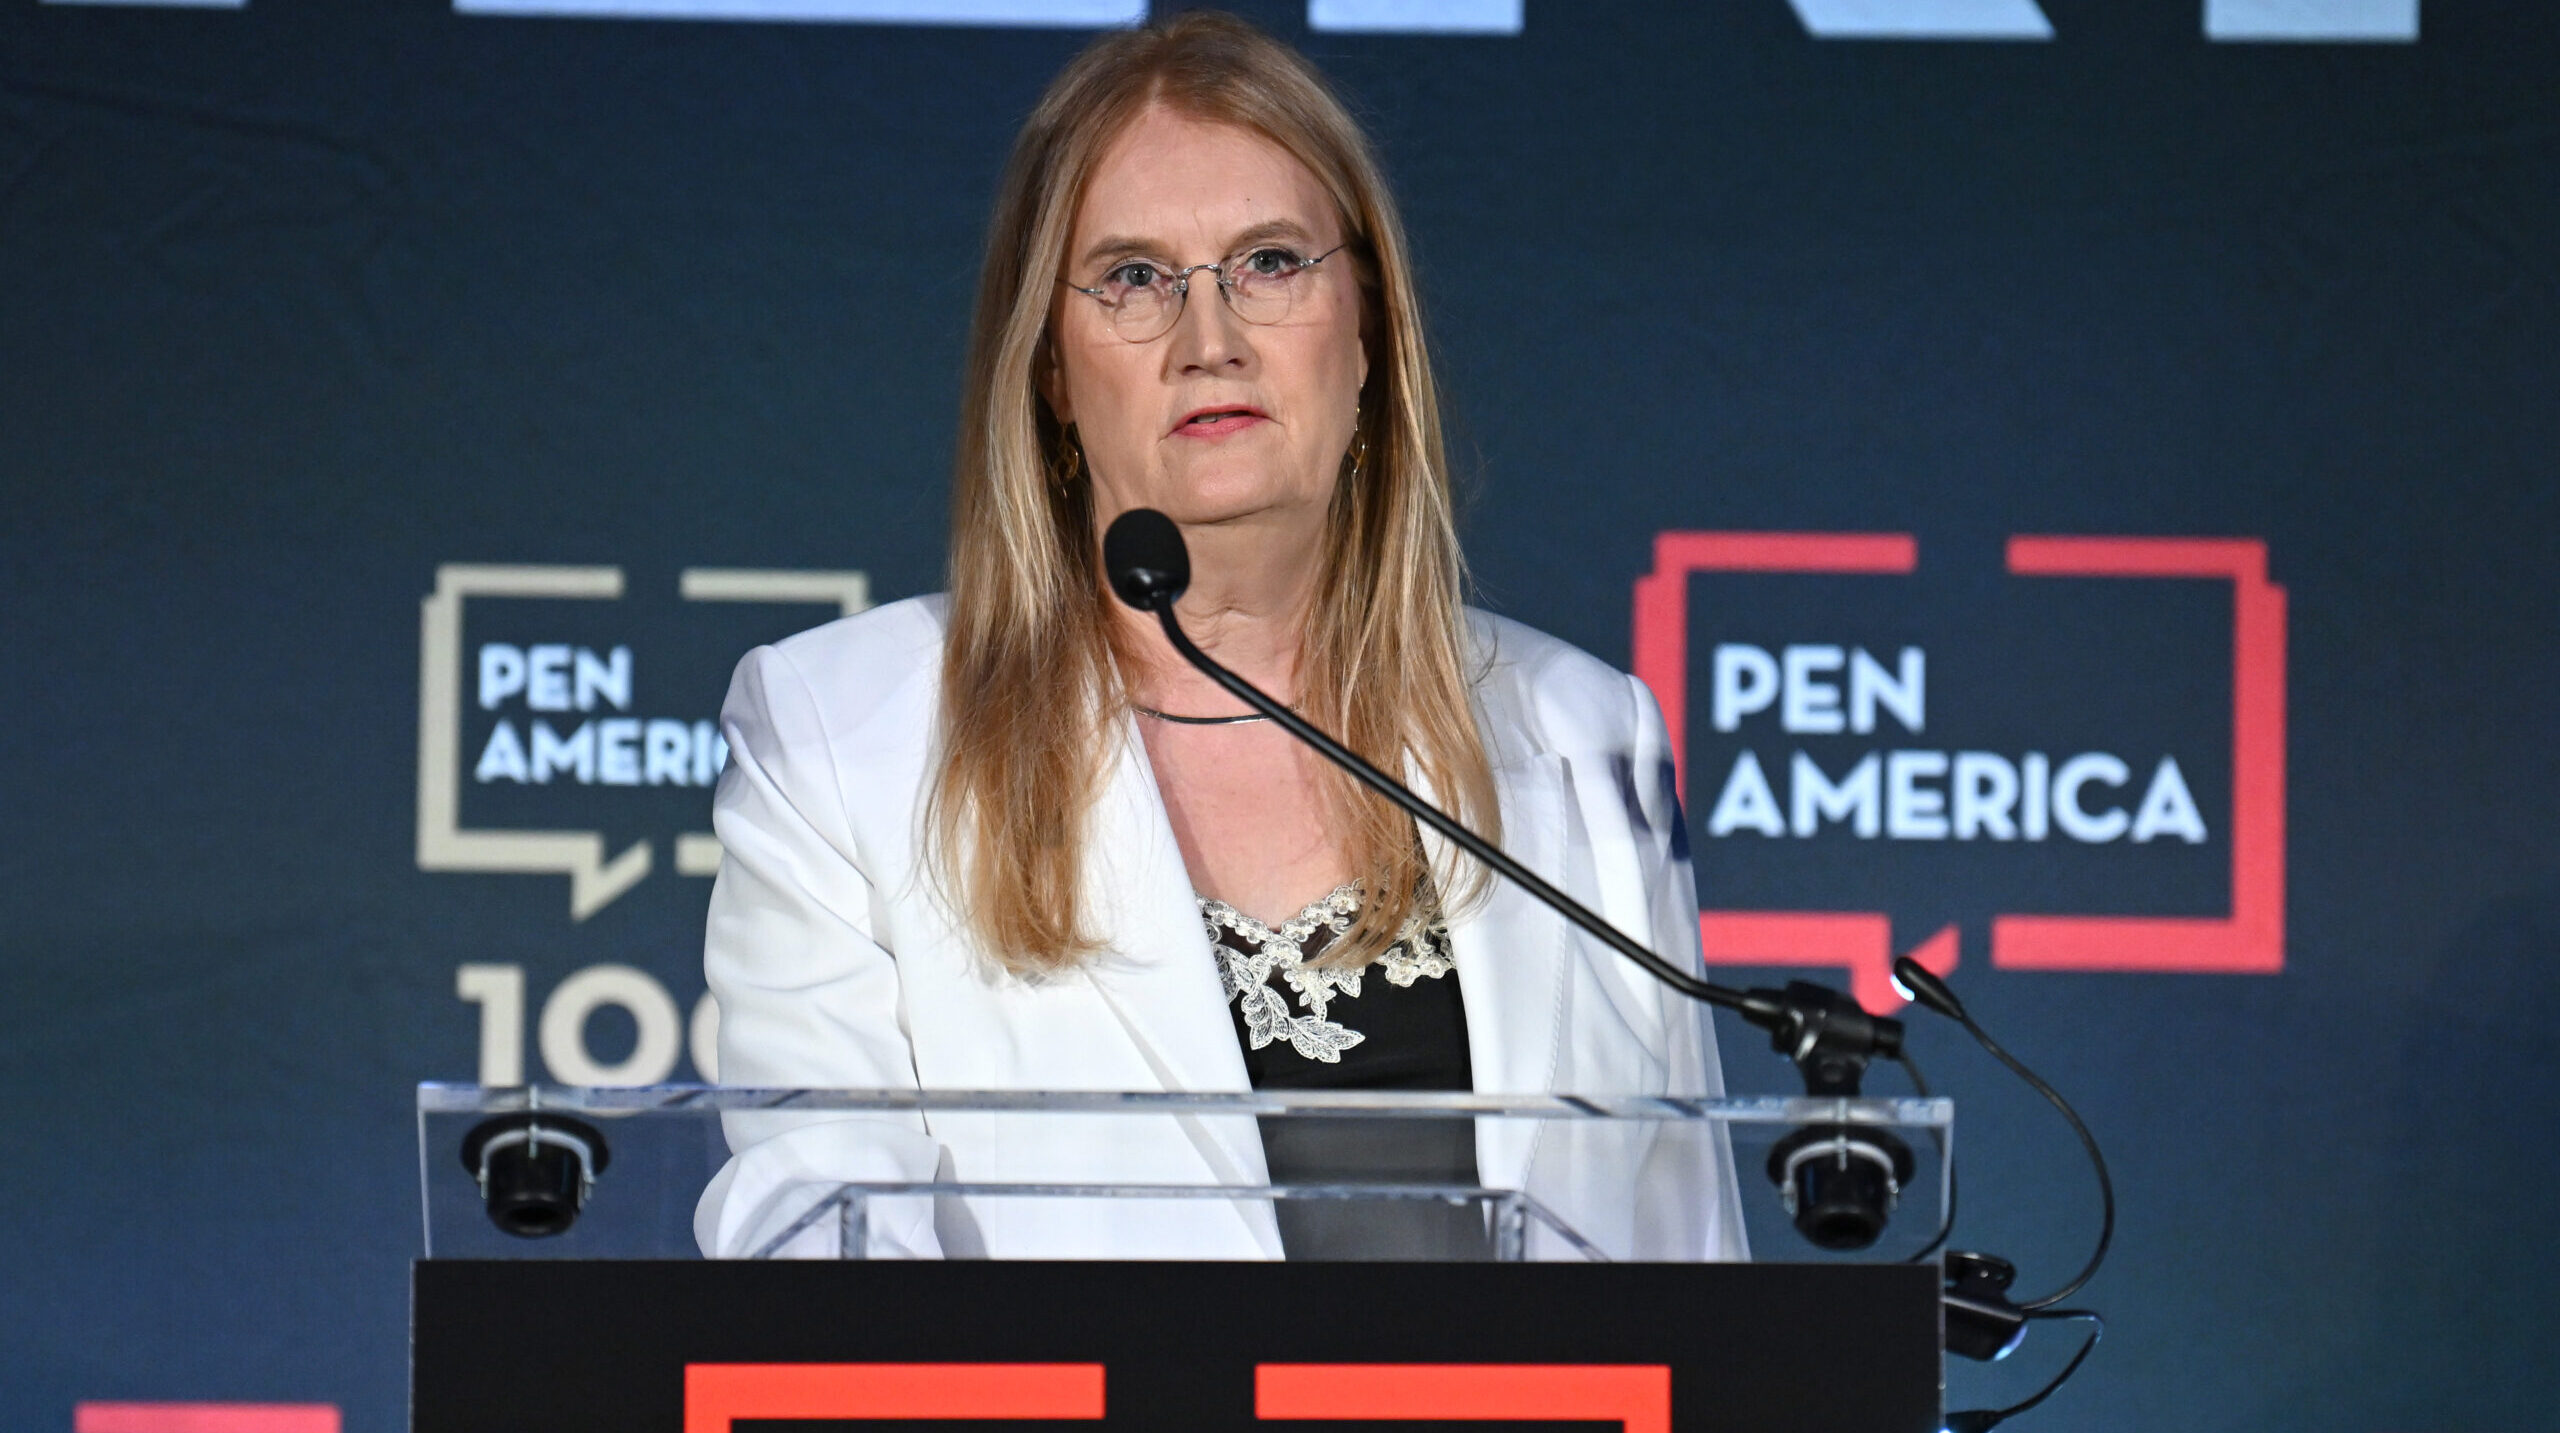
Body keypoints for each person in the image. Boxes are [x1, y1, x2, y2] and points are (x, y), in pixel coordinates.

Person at [694, 10, 1744, 1262]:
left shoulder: (1585, 734)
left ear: (1368, 330)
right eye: (1134, 278)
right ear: (1050, 371)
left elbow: (1689, 1276)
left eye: (1270, 262)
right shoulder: (841, 742)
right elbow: (817, 1271)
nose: (1211, 343)